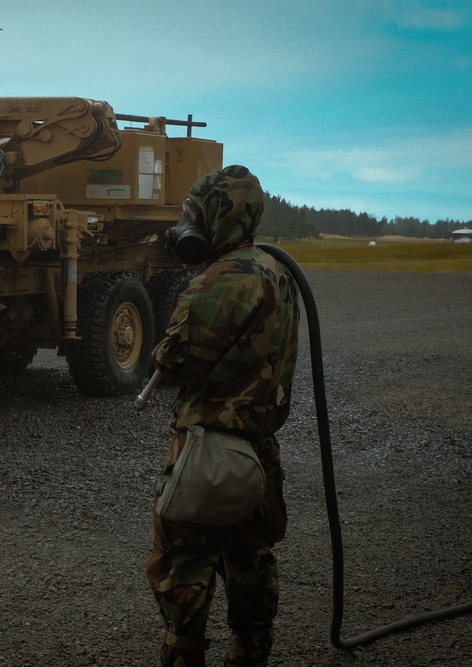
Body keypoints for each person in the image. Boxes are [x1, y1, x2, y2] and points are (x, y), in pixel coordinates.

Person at [146, 165, 300, 667]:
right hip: (260, 450)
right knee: (251, 559)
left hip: (208, 450)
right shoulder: (277, 271)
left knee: (183, 564)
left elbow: (176, 364)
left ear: (211, 217)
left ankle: (184, 655)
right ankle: (251, 652)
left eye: (193, 214)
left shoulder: (219, 280)